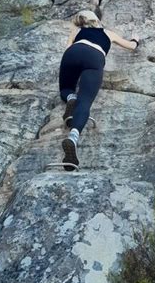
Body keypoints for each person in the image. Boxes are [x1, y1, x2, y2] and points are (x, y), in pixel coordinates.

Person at [58, 10, 139, 170]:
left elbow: (67, 48)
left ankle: (70, 98)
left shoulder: (77, 31)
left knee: (66, 88)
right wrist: (135, 39)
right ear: (96, 20)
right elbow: (131, 47)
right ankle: (73, 137)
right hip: (94, 56)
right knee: (85, 101)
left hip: (73, 52)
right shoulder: (108, 33)